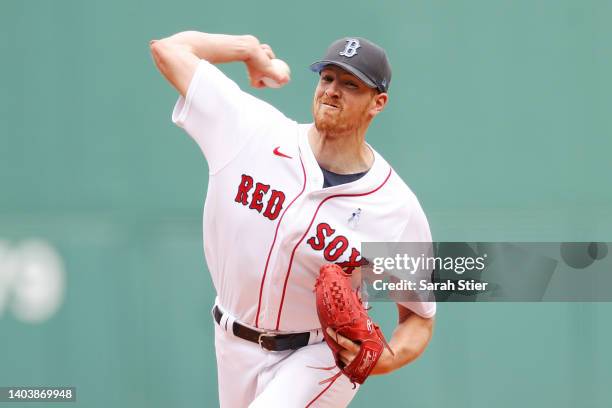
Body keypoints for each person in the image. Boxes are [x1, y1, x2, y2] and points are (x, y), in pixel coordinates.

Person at [150, 32, 436, 407]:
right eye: (327, 78)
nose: (332, 91)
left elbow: (419, 317)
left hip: (320, 355)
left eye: (351, 85)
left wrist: (388, 358)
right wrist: (248, 50)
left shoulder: (394, 207)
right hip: (231, 343)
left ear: (377, 103)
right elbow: (168, 50)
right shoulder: (251, 131)